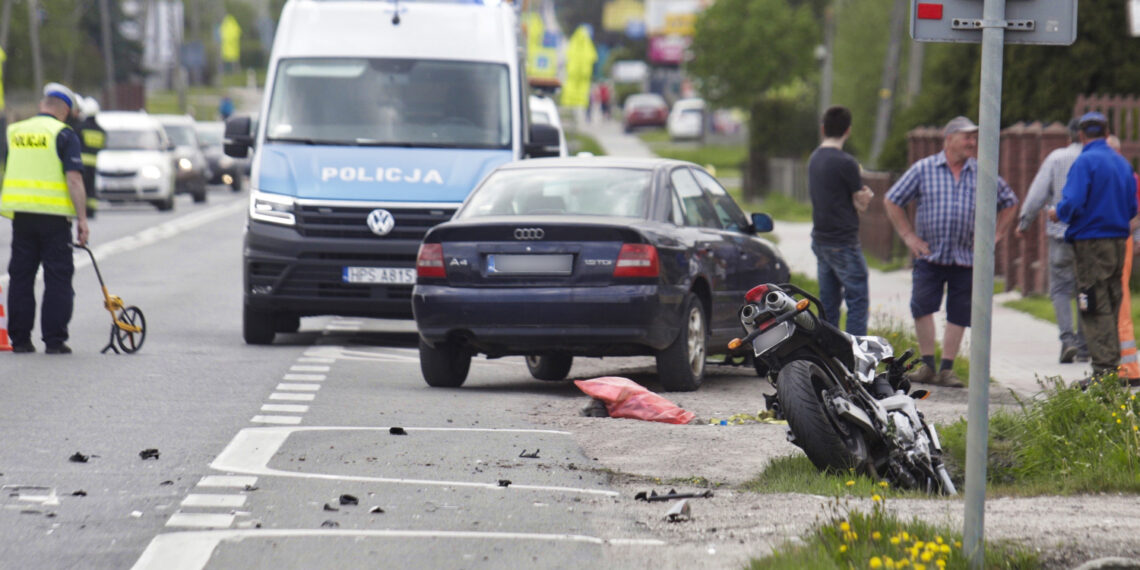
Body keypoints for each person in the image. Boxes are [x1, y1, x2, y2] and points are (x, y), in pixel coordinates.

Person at [884, 116, 1019, 387]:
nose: (972, 142)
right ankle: (927, 366)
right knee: (922, 306)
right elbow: (892, 199)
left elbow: (1010, 202)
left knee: (959, 312)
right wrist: (908, 236)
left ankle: (947, 369)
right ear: (949, 139)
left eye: (973, 137)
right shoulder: (924, 169)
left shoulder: (982, 172)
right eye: (966, 137)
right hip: (929, 255)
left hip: (966, 257)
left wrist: (997, 235)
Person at [0, 83, 90, 354]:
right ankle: (54, 340)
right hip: (54, 219)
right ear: (64, 110)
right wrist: (82, 219)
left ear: (43, 105)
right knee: (58, 278)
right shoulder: (63, 134)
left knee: (21, 277)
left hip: (22, 216)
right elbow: (74, 179)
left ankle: (20, 340)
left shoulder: (15, 132)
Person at [1050, 112, 1137, 385]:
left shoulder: (1084, 161)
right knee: (1112, 301)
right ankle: (1112, 367)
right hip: (1118, 242)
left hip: (1091, 243)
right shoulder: (1122, 164)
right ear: (1107, 130)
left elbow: (1073, 202)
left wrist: (1057, 213)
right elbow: (1133, 207)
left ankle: (1103, 373)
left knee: (1092, 303)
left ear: (1080, 134)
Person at [1016, 118, 1087, 363]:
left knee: (1060, 287)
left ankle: (1067, 339)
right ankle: (1085, 343)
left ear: (1069, 136)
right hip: (1091, 236)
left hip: (1060, 234)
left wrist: (1024, 222)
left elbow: (1038, 192)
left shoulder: (1057, 158)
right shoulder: (1099, 158)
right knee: (1085, 288)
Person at [808, 105, 874, 336]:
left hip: (821, 239)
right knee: (857, 300)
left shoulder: (814, 159)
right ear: (848, 130)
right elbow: (860, 203)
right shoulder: (847, 163)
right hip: (843, 242)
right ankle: (854, 357)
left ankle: (828, 354)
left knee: (828, 303)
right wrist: (866, 195)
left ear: (823, 128)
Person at [1105, 134, 1140, 383]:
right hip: (1116, 241)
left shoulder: (1127, 177)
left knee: (1120, 298)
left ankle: (1128, 366)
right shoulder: (1121, 176)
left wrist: (1128, 231)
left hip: (1119, 242)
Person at [73, 95, 104, 220]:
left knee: (81, 187)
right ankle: (91, 210)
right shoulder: (101, 130)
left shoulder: (80, 128)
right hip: (94, 164)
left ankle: (80, 210)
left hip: (81, 163)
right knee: (91, 188)